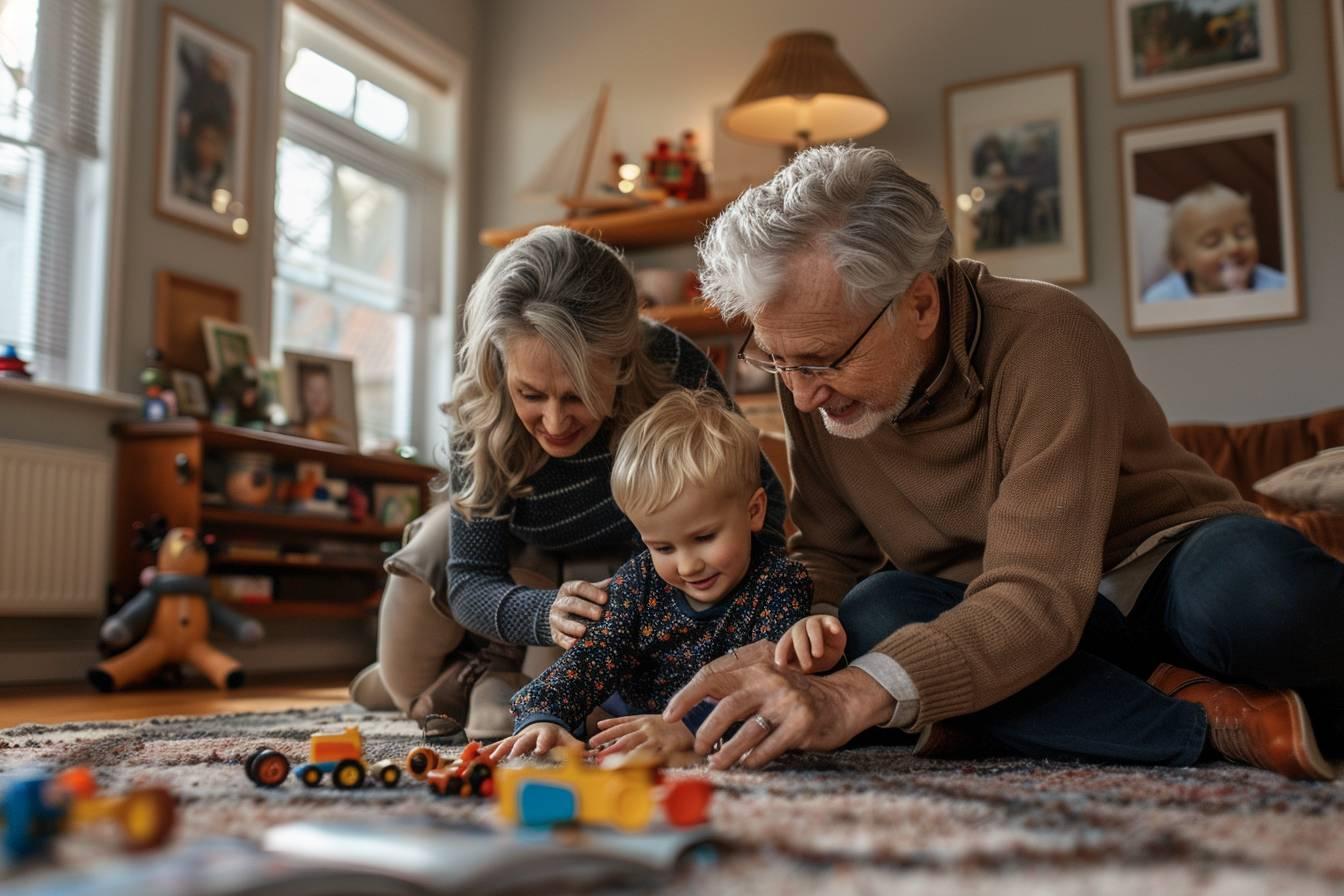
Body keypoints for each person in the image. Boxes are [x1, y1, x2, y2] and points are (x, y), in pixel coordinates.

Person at [622, 143, 1341, 781]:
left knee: (1256, 586)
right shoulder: (811, 383)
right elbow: (832, 562)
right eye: (777, 360)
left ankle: (1081, 707)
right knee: (871, 614)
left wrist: (853, 694)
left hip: (1155, 571)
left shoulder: (1048, 335)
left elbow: (1038, 591)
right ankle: (1210, 718)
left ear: (922, 303)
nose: (803, 395)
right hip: (1004, 619)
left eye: (822, 361)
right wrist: (793, 646)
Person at [347, 226, 788, 742]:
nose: (554, 422)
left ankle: (485, 672)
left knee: (540, 708)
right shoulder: (483, 403)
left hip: (612, 576)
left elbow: (754, 495)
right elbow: (470, 579)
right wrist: (541, 613)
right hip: (520, 572)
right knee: (429, 583)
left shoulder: (672, 367)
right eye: (531, 394)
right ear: (502, 363)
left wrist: (746, 611)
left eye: (576, 396)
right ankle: (444, 672)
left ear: (621, 362)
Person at [486, 389, 811, 760]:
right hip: (631, 710)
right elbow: (590, 659)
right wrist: (543, 717)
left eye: (704, 537)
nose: (688, 566)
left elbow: (774, 685)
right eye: (663, 548)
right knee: (579, 712)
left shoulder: (781, 584)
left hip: (718, 719)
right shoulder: (638, 582)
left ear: (754, 511)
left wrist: (687, 725)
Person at [1143, 183, 1287, 302]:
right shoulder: (1162, 301)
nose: (1233, 247)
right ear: (1180, 261)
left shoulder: (1281, 289)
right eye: (1213, 242)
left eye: (1241, 235)